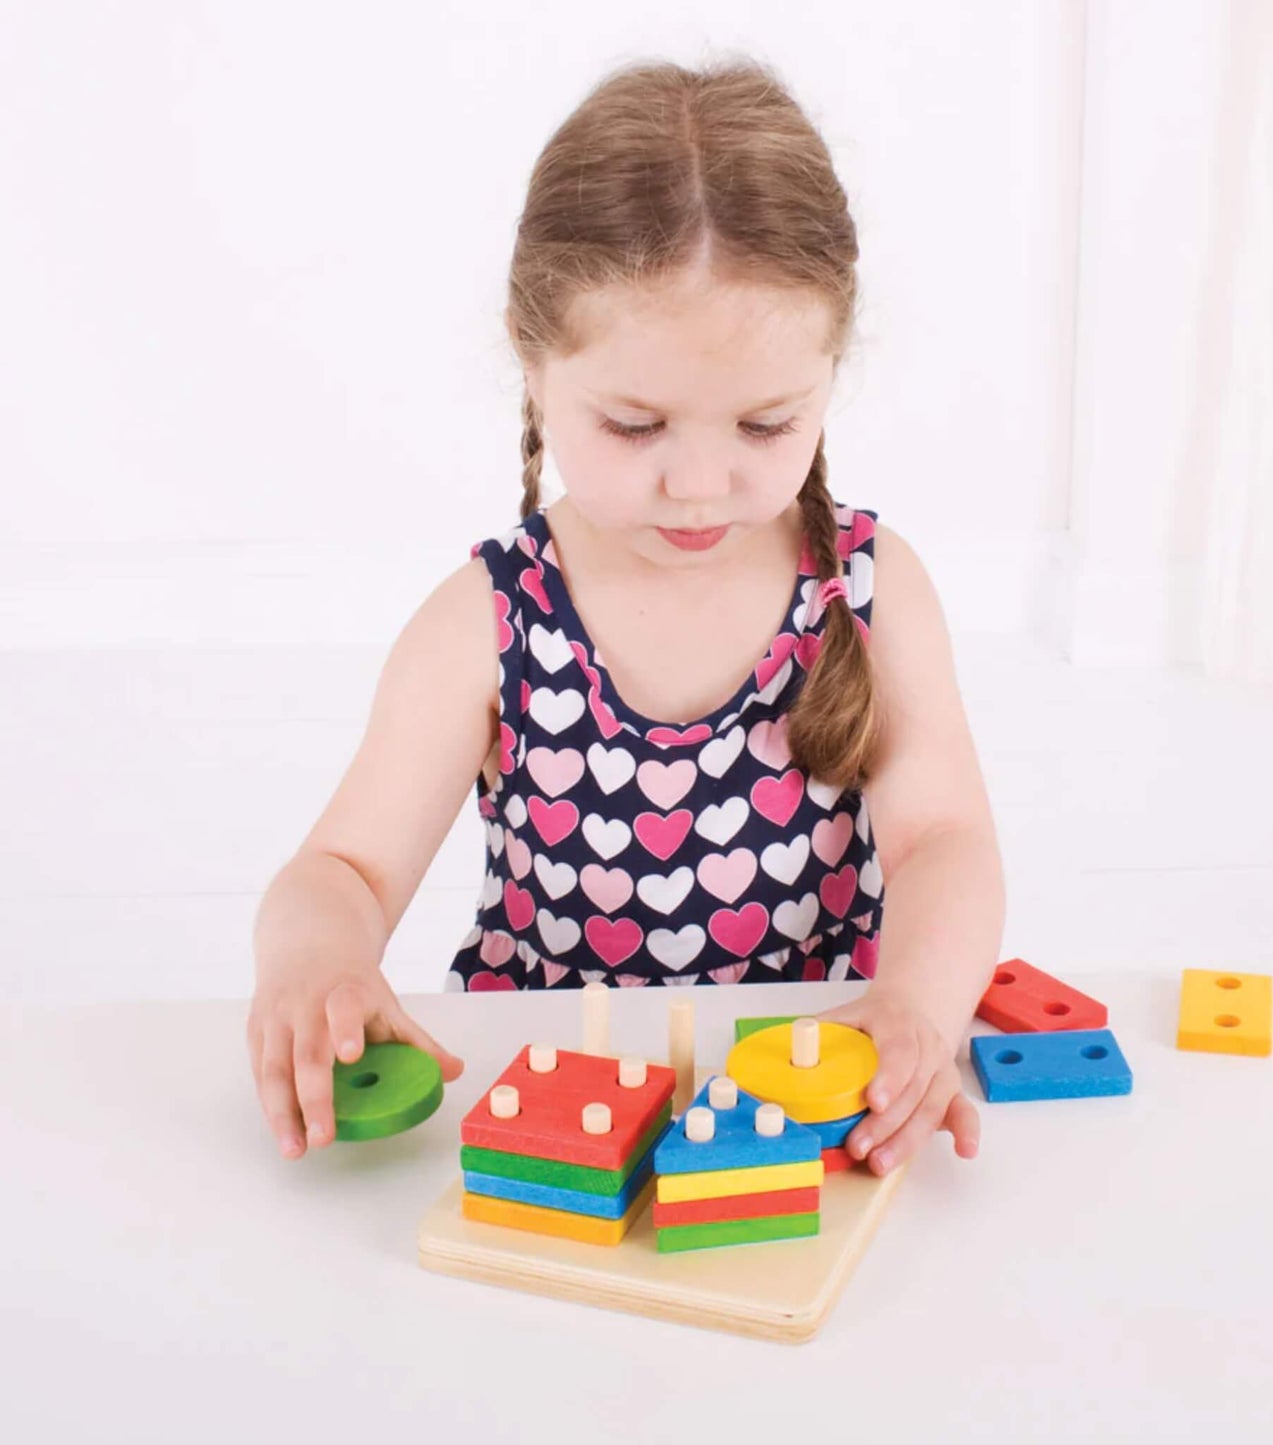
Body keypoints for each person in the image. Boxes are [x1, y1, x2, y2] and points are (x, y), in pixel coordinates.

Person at [249, 56, 1005, 1181]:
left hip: (800, 1106)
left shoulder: (868, 586)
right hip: (550, 1111)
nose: (697, 485)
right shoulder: (489, 622)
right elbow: (342, 869)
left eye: (762, 423)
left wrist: (916, 1002)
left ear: (828, 372)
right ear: (533, 362)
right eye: (636, 424)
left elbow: (943, 838)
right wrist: (317, 965)